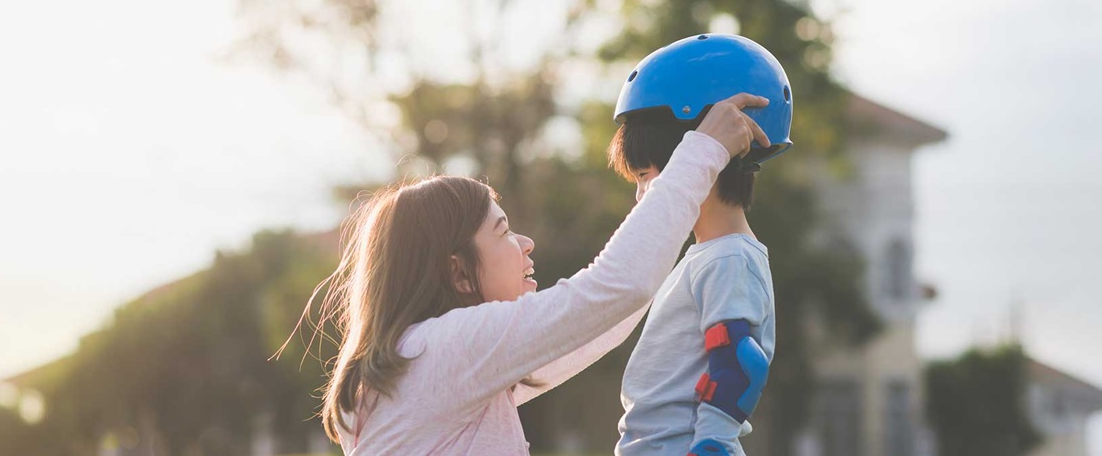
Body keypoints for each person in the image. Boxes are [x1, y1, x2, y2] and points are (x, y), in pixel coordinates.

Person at [277, 90, 771, 454]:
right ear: (459, 272)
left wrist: (681, 216)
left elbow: (598, 319)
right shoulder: (443, 350)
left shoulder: (417, 367)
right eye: (504, 231)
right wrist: (702, 153)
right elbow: (610, 291)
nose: (526, 243)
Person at [608, 34, 795, 456]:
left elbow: (738, 363)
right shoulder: (707, 257)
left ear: (702, 155)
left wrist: (714, 444)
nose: (641, 195)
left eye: (644, 175)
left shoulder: (730, 258)